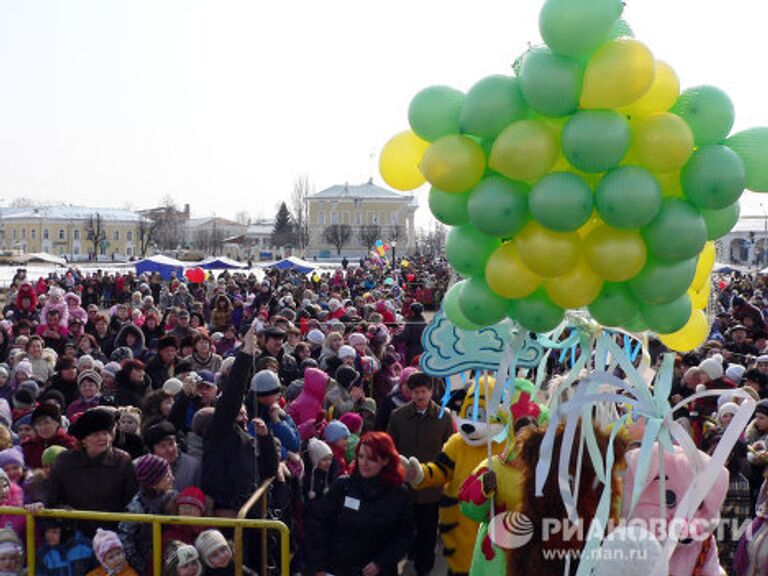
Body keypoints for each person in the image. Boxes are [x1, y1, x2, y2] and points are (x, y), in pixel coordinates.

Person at [304, 431, 416, 576]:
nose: (364, 462)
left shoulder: (399, 493)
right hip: (339, 570)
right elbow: (319, 526)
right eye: (361, 456)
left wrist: (381, 562)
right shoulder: (343, 486)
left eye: (371, 458)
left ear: (386, 460)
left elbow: (406, 534)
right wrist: (320, 567)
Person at [201, 325, 278, 516]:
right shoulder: (219, 430)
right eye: (239, 413)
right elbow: (232, 396)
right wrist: (245, 356)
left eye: (245, 412)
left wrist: (265, 438)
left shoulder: (247, 436)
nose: (244, 416)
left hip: (251, 510)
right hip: (228, 511)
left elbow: (270, 471)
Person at [386, 373, 453, 576]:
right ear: (409, 393)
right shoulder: (398, 416)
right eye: (416, 392)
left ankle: (424, 568)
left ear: (431, 392)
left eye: (424, 391)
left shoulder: (444, 416)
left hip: (432, 488)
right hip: (405, 488)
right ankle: (411, 555)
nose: (420, 396)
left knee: (428, 532)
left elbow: (450, 449)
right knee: (407, 529)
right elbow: (390, 448)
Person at [41, 408, 138, 535]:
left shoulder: (122, 461)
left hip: (113, 537)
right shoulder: (64, 462)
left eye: (105, 433)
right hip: (75, 536)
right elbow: (51, 500)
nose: (103, 438)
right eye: (95, 434)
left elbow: (131, 501)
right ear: (83, 439)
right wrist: (65, 513)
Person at [143, 421, 200, 491]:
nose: (170, 450)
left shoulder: (193, 465)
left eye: (171, 444)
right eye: (162, 446)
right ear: (152, 450)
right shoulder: (144, 468)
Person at [22, 404, 77, 470]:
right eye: (38, 424)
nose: (43, 428)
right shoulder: (30, 446)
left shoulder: (70, 445)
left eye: (47, 423)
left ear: (57, 423)